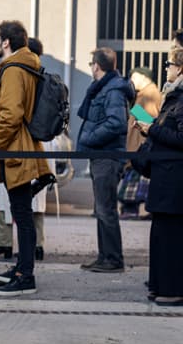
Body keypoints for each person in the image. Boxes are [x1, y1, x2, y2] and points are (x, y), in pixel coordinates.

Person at [0, 20, 53, 296]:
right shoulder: (24, 66)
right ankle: (21, 268)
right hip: (24, 147)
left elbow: (10, 114)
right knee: (22, 213)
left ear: (5, 42)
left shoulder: (13, 69)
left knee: (22, 214)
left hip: (16, 149)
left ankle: (25, 275)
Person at [77, 47, 134, 273]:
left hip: (107, 157)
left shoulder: (112, 90)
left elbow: (116, 123)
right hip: (102, 156)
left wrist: (89, 138)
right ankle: (105, 257)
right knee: (102, 209)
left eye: (91, 63)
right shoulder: (105, 87)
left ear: (96, 66)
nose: (91, 67)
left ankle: (113, 259)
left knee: (106, 209)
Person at [135, 48, 183, 305]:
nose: (166, 69)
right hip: (166, 177)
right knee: (160, 236)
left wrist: (152, 129)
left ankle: (173, 289)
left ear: (181, 68)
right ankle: (160, 285)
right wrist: (148, 129)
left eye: (169, 64)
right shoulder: (173, 98)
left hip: (174, 180)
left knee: (170, 238)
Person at [120, 67, 162, 220]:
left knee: (136, 184)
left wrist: (135, 110)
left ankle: (132, 210)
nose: (132, 80)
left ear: (144, 78)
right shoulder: (142, 94)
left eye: (135, 77)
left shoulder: (150, 94)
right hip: (136, 145)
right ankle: (131, 209)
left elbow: (150, 121)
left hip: (141, 146)